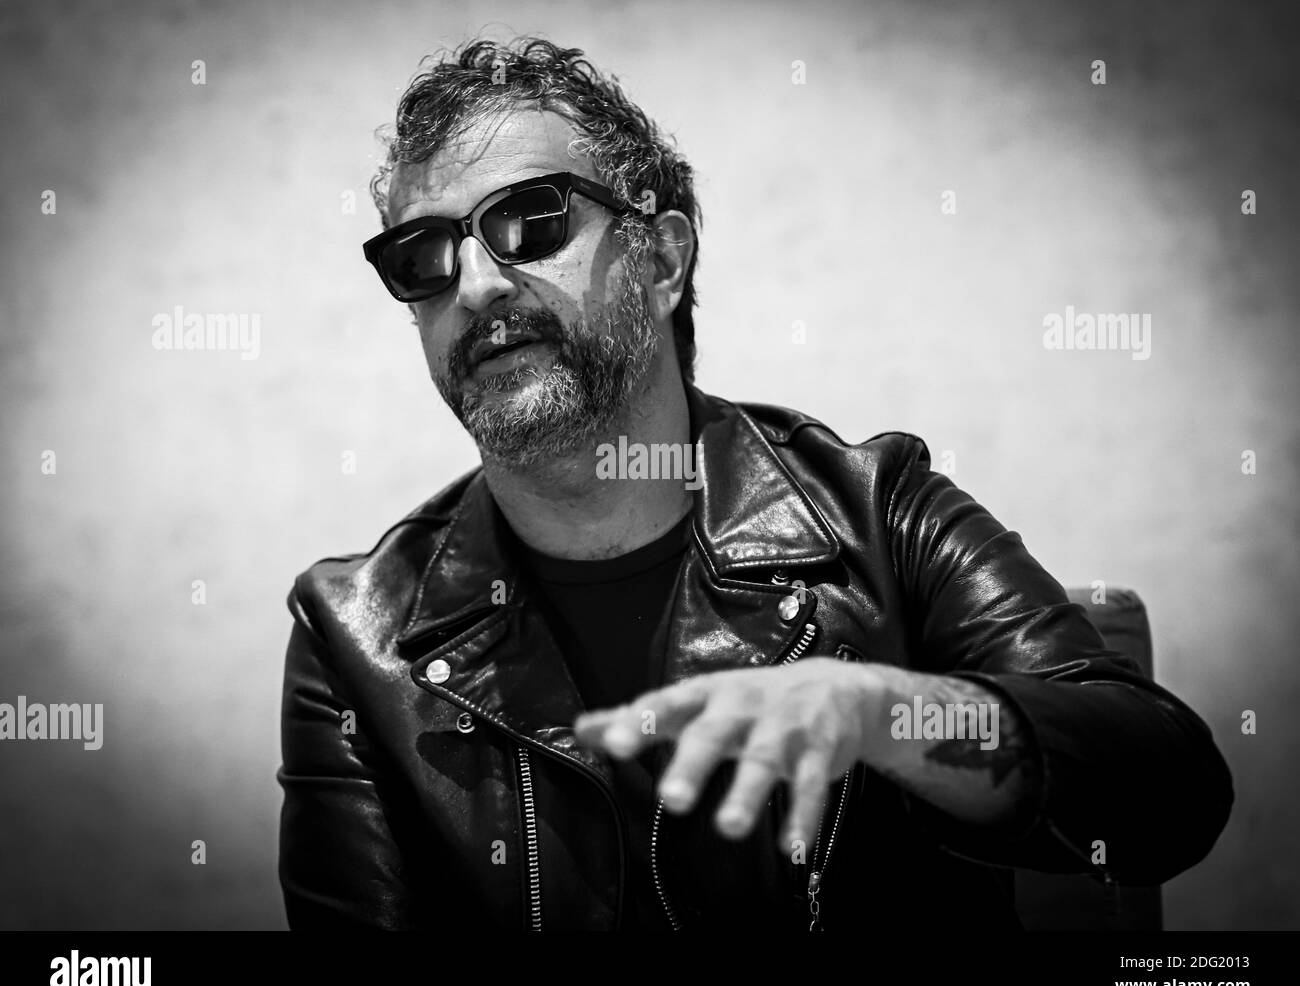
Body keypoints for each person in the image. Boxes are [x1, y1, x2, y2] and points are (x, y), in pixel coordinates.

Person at [277, 37, 1233, 931]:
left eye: (531, 222)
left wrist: (889, 714)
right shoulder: (356, 636)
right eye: (422, 259)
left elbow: (1167, 789)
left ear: (660, 258)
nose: (477, 288)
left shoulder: (873, 510)